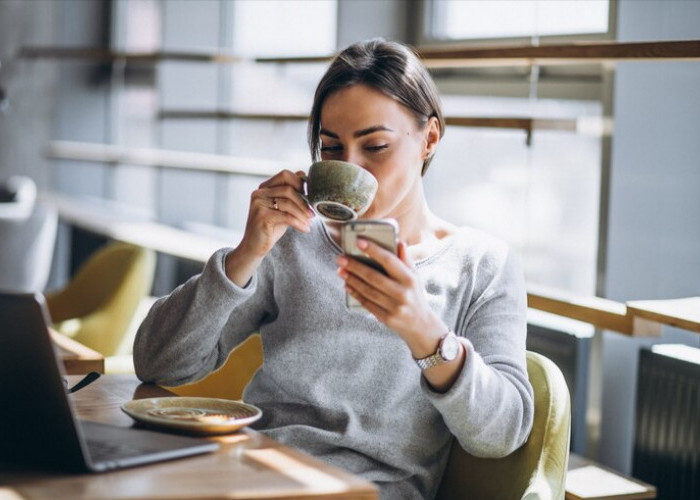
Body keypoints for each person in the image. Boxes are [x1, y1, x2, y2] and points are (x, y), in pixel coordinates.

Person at [134, 38, 534, 499]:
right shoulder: (293, 241)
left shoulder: (482, 266)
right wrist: (246, 253)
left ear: (430, 138)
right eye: (331, 148)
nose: (352, 166)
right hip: (250, 476)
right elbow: (157, 361)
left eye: (376, 146)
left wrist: (426, 334)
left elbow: (502, 433)